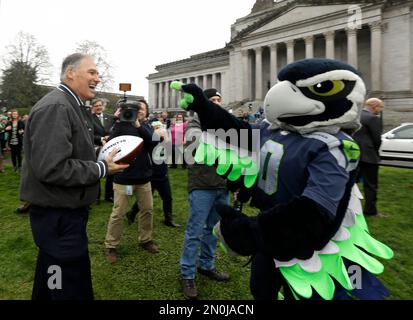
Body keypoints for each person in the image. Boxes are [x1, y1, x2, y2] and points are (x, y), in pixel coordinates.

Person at [20, 53, 128, 300]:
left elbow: (70, 151)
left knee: (52, 273)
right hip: (58, 217)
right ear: (70, 73)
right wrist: (102, 168)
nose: (97, 79)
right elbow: (53, 167)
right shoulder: (57, 106)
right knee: (65, 282)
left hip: (63, 214)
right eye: (92, 72)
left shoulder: (70, 104)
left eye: (97, 74)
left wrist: (101, 152)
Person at [179, 88, 230, 300]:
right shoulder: (194, 123)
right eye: (212, 100)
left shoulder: (226, 122)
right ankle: (187, 273)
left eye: (219, 99)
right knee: (195, 231)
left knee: (213, 230)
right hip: (201, 185)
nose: (216, 103)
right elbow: (197, 148)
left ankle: (207, 265)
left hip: (222, 185)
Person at [104, 99, 160, 264]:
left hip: (143, 177)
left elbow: (153, 143)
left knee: (147, 210)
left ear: (146, 112)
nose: (139, 111)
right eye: (136, 109)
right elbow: (111, 143)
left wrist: (138, 126)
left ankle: (145, 240)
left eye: (142, 109)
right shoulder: (121, 125)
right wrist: (116, 120)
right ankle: (111, 245)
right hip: (124, 178)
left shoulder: (146, 126)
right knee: (118, 213)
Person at [125, 118, 180, 228]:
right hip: (151, 174)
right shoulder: (149, 141)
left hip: (163, 173)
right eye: (156, 128)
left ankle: (168, 219)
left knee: (167, 197)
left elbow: (171, 152)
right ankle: (131, 213)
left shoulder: (164, 140)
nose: (159, 130)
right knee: (145, 198)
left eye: (160, 127)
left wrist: (166, 140)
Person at [353, 98, 385, 216]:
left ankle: (348, 207)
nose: (380, 110)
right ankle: (370, 211)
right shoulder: (372, 118)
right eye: (380, 107)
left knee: (351, 182)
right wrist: (375, 152)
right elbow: (377, 139)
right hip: (369, 156)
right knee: (371, 185)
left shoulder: (357, 115)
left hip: (355, 154)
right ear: (374, 106)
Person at [91, 98, 115, 203]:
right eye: (96, 106)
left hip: (109, 147)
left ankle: (109, 195)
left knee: (111, 171)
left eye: (100, 105)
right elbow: (89, 134)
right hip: (95, 147)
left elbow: (114, 129)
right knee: (96, 171)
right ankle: (96, 196)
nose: (98, 107)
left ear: (103, 106)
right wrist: (101, 139)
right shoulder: (89, 118)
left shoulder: (109, 117)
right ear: (92, 107)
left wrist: (109, 137)